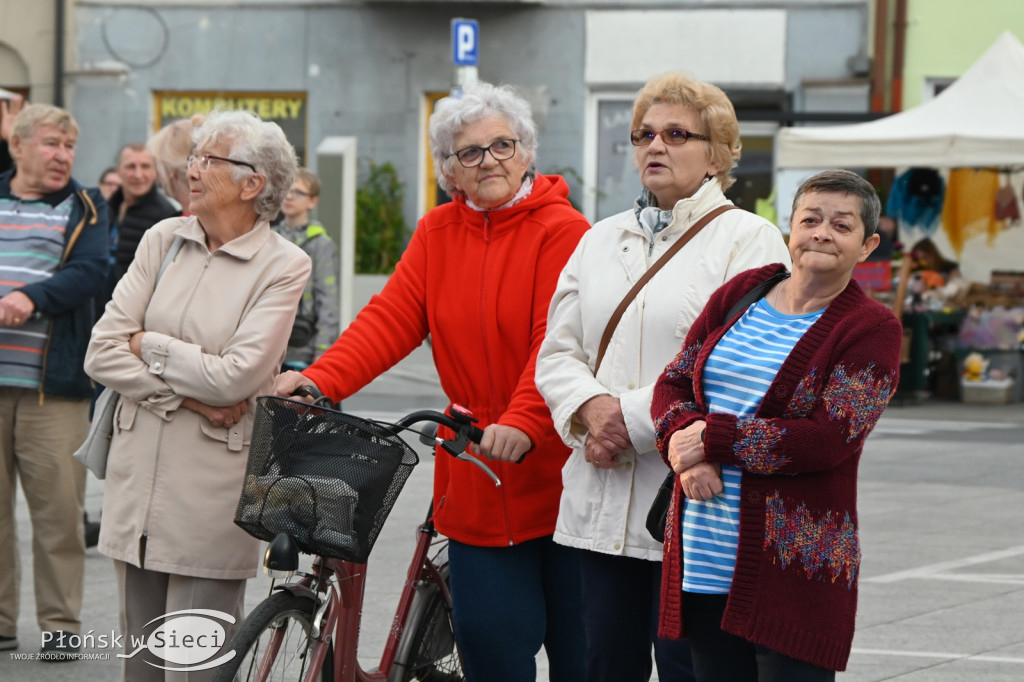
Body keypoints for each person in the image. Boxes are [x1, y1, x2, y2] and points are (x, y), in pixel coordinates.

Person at [274, 81, 590, 682]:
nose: (490, 160)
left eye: (503, 144)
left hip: (558, 471)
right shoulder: (437, 233)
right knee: (491, 646)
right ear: (449, 170)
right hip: (473, 465)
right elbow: (389, 320)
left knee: (581, 652)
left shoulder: (566, 231)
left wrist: (523, 420)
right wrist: (319, 380)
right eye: (470, 152)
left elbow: (556, 342)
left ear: (527, 151)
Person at [535, 71, 791, 682]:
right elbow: (556, 351)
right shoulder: (599, 240)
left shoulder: (749, 239)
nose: (656, 145)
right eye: (643, 134)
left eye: (677, 134)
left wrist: (621, 421)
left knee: (690, 668)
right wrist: (588, 414)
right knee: (605, 665)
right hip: (601, 499)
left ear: (717, 152)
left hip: (696, 501)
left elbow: (737, 364)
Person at [84, 109, 311, 681]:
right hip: (136, 489)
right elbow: (101, 350)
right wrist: (184, 396)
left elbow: (233, 378)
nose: (192, 170)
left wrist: (148, 343)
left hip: (209, 494)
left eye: (209, 160)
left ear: (252, 183)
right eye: (193, 157)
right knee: (141, 669)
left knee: (194, 666)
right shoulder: (164, 239)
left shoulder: (284, 265)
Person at [651, 169, 902, 680]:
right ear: (790, 227)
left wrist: (712, 440)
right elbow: (673, 383)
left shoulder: (873, 329)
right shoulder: (742, 291)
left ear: (867, 244)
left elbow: (827, 439)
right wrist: (683, 445)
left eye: (841, 225)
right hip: (702, 552)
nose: (822, 233)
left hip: (793, 567)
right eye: (810, 219)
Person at [0, 103, 109, 660]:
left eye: (68, 146)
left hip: (54, 389)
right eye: (49, 143)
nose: (62, 155)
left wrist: (29, 296)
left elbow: (90, 271)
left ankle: (61, 627)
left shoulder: (86, 206)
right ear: (17, 146)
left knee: (59, 516)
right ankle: (0, 623)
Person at [272, 168, 340, 369]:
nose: (290, 196)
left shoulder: (321, 243)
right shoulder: (270, 237)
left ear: (312, 201)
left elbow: (328, 301)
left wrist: (322, 351)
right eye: (287, 190)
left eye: (299, 192)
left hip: (304, 349)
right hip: (271, 347)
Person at [108, 143, 180, 283]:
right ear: (118, 171)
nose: (138, 174)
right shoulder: (107, 208)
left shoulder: (166, 215)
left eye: (145, 166)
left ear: (155, 171)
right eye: (130, 166)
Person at [147, 115, 204, 214]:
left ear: (172, 172)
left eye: (158, 165)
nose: (156, 175)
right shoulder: (218, 221)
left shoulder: (179, 227)